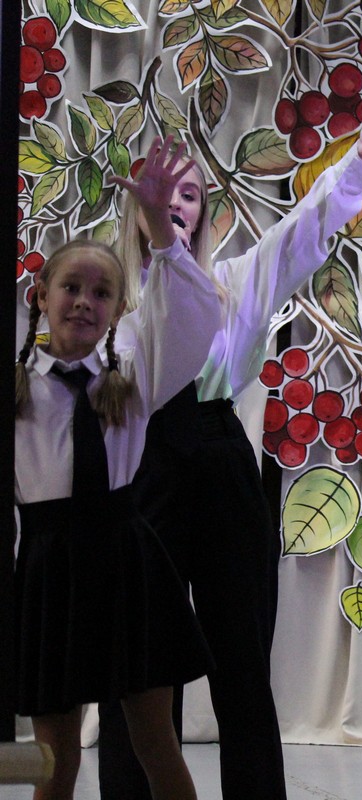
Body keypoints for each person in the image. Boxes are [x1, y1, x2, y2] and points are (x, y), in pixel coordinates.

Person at [97, 115, 362, 799]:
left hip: (219, 458)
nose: (177, 204)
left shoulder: (234, 280)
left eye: (190, 194)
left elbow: (302, 234)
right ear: (137, 204)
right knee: (136, 664)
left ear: (204, 212)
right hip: (139, 461)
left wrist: (358, 166)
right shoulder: (109, 294)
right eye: (164, 192)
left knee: (242, 658)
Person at [12, 137, 220, 800]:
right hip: (51, 570)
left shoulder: (132, 378)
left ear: (118, 310)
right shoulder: (17, 390)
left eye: (102, 293)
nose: (84, 301)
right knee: (54, 756)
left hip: (128, 565)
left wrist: (160, 226)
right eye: (71, 287)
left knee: (155, 741)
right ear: (41, 296)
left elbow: (193, 316)